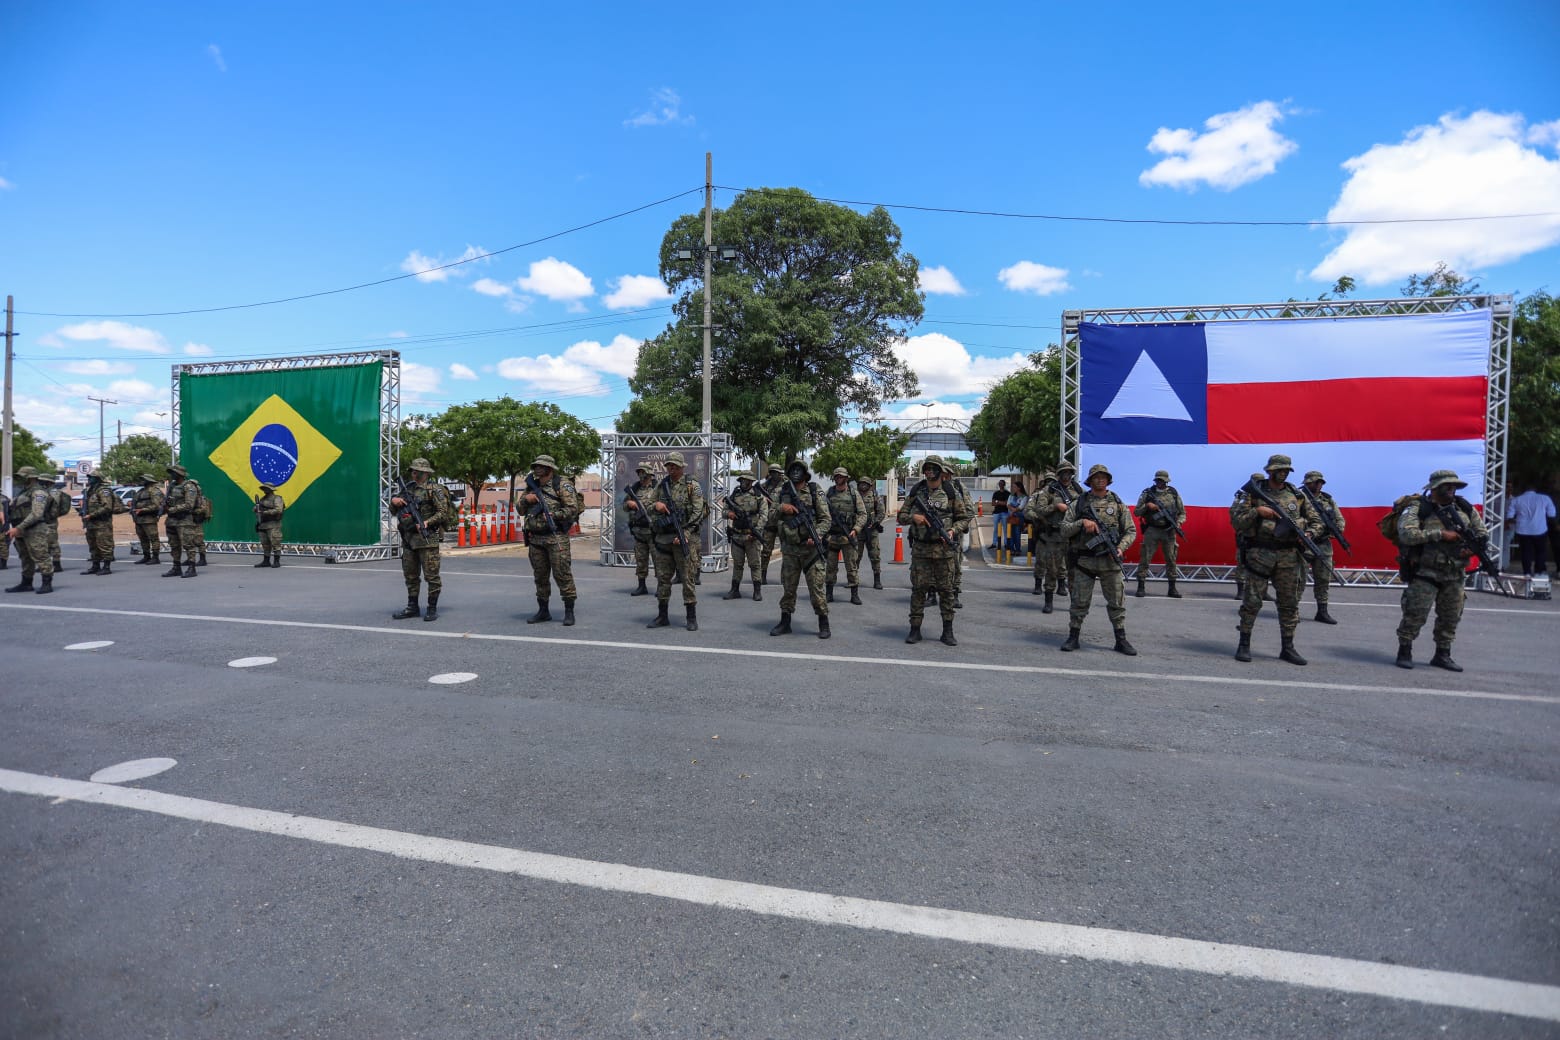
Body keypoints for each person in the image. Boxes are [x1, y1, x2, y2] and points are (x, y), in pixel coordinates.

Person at [1232, 455, 1322, 665]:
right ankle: (1244, 644)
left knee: (1289, 603)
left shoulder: (1297, 495)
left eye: (1286, 470)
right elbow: (1236, 521)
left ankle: (1287, 647)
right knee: (1252, 602)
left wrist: (1308, 533)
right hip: (1260, 554)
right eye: (1279, 470)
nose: (1283, 473)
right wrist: (1257, 511)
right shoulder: (1251, 493)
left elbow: (1316, 521)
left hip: (1289, 556)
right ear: (1270, 470)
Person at [1395, 470, 1486, 671]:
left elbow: (1481, 533)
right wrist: (1440, 534)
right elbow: (1407, 534)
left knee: (1451, 616)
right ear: (1435, 488)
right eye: (1447, 486)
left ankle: (1442, 654)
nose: (1451, 489)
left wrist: (1472, 548)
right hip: (1425, 572)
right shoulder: (1419, 508)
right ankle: (1405, 651)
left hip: (1454, 574)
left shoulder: (1465, 508)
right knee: (1414, 614)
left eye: (1454, 486)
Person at [1059, 463, 1137, 655]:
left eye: (1103, 477)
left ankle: (1121, 639)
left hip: (1110, 562)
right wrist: (1081, 523)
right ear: (1091, 480)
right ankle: (1073, 636)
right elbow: (1064, 529)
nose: (1100, 480)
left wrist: (1120, 548)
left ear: (1108, 480)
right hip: (1085, 562)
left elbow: (1130, 531)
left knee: (1117, 603)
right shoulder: (1080, 503)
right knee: (1079, 601)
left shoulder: (1117, 504)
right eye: (1096, 477)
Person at [898, 455, 970, 646]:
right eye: (926, 468)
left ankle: (947, 631)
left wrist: (953, 530)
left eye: (932, 468)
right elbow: (901, 516)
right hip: (921, 550)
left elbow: (964, 518)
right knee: (918, 590)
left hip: (944, 551)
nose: (929, 471)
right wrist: (915, 517)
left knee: (946, 591)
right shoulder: (917, 491)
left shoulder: (950, 492)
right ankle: (915, 630)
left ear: (939, 470)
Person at [770, 459, 833, 639]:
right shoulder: (782, 492)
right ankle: (785, 622)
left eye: (800, 470)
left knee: (817, 589)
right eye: (793, 469)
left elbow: (826, 519)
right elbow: (770, 517)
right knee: (788, 588)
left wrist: (818, 535)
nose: (796, 472)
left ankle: (823, 622)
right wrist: (783, 508)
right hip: (790, 550)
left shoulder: (814, 490)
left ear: (805, 474)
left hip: (811, 551)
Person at [646, 450, 705, 632]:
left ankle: (691, 617)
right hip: (664, 539)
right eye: (668, 465)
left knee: (687, 579)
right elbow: (648, 506)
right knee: (663, 578)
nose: (670, 468)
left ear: (681, 467)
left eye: (674, 465)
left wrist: (686, 533)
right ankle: (662, 616)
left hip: (685, 538)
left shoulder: (691, 485)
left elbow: (698, 512)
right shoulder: (661, 485)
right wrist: (656, 505)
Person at [521, 454, 581, 627]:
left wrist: (553, 515)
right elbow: (519, 509)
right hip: (536, 539)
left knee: (562, 574)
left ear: (549, 468)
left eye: (540, 466)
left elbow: (572, 509)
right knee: (540, 576)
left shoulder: (562, 484)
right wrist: (527, 499)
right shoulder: (531, 486)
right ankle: (543, 611)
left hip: (556, 537)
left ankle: (569, 611)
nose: (536, 469)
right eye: (535, 466)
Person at [389, 457, 452, 621]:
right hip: (409, 540)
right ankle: (412, 607)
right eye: (413, 470)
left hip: (427, 540)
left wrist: (426, 522)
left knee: (432, 576)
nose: (414, 473)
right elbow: (394, 511)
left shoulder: (434, 489)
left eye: (417, 471)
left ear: (425, 473)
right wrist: (394, 501)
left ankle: (432, 608)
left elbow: (443, 512)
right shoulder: (406, 489)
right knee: (410, 576)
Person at [1025, 461, 1081, 613]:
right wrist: (1055, 507)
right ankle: (1048, 599)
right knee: (1052, 569)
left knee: (1073, 571)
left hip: (1071, 536)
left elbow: (1084, 508)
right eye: (1063, 472)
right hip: (1053, 536)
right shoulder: (1049, 491)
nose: (1066, 475)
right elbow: (1039, 509)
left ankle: (1074, 603)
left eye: (1069, 472)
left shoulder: (1077, 489)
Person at [1300, 470, 1344, 624]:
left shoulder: (1327, 499)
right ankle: (1292, 610)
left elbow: (1339, 520)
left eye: (1320, 482)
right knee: (1298, 579)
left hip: (1323, 544)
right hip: (1303, 544)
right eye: (1315, 482)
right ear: (1307, 483)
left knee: (1323, 580)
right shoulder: (1299, 498)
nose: (1318, 485)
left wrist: (1335, 529)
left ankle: (1322, 611)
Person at [1133, 469, 1185, 598]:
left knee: (1171, 559)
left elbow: (1182, 513)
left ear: (1166, 481)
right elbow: (1137, 512)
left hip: (1169, 531)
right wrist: (1147, 506)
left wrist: (1178, 523)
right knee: (1145, 558)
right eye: (1158, 480)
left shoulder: (1173, 493)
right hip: (1152, 529)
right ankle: (1141, 587)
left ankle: (1172, 588)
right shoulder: (1147, 494)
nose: (1160, 483)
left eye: (1162, 480)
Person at [3, 467, 55, 594]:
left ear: (31, 477)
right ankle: (26, 583)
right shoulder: (24, 492)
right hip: (22, 529)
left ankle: (46, 583)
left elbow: (37, 514)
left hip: (35, 529)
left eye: (22, 476)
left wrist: (18, 528)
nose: (20, 479)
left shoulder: (38, 493)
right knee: (25, 557)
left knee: (41, 556)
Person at [823, 467, 868, 604]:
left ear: (846, 478)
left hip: (848, 536)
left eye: (841, 476)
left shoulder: (854, 494)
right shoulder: (829, 493)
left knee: (851, 566)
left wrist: (856, 529)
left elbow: (862, 514)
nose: (839, 478)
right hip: (832, 537)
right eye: (836, 476)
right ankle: (829, 593)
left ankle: (854, 594)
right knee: (830, 566)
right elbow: (821, 512)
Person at [721, 474, 769, 602]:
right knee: (737, 564)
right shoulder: (734, 496)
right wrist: (729, 514)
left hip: (751, 536)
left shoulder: (758, 496)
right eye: (742, 480)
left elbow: (764, 516)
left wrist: (756, 531)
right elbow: (724, 511)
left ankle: (757, 590)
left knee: (755, 564)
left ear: (751, 482)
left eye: (747, 480)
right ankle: (734, 590)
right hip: (737, 535)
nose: (744, 482)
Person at [162, 464, 204, 579]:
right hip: (171, 520)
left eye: (173, 472)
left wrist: (171, 509)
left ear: (179, 474)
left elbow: (189, 505)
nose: (171, 475)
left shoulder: (189, 486)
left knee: (188, 545)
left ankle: (192, 568)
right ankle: (176, 567)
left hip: (184, 520)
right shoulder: (172, 486)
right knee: (174, 545)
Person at [1506, 483, 1556, 578]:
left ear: (1523, 490)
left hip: (1522, 530)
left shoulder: (1517, 500)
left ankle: (1527, 572)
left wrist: (1517, 520)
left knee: (1525, 552)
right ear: (1535, 490)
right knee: (1540, 552)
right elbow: (1551, 514)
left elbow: (1509, 517)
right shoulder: (1544, 498)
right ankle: (1539, 572)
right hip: (1540, 529)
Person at [623, 464, 658, 596]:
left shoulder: (657, 488)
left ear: (649, 474)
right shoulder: (635, 489)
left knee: (658, 560)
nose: (641, 475)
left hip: (653, 532)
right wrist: (629, 504)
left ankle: (661, 587)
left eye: (644, 473)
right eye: (640, 473)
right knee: (640, 560)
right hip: (639, 532)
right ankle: (641, 586)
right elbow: (624, 507)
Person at [80, 472, 118, 575]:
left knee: (104, 545)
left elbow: (107, 507)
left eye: (91, 478)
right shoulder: (90, 491)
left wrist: (92, 515)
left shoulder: (103, 490)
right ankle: (95, 566)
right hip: (91, 523)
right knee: (93, 545)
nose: (89, 479)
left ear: (97, 479)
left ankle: (106, 567)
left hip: (102, 523)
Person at [853, 475, 886, 590]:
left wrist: (876, 523)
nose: (863, 485)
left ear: (870, 485)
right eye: (861, 483)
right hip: (858, 530)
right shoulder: (854, 496)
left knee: (875, 555)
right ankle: (853, 580)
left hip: (871, 530)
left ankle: (877, 580)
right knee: (855, 556)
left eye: (865, 484)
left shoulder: (875, 495)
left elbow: (881, 511)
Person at [757, 462, 786, 585]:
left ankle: (785, 577)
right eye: (772, 472)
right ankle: (762, 575)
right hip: (769, 523)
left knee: (786, 550)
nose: (774, 475)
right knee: (766, 551)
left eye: (776, 473)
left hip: (783, 522)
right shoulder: (764, 486)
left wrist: (775, 504)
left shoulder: (786, 486)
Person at [130, 473, 164, 566]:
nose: (142, 481)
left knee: (153, 538)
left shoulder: (154, 491)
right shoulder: (141, 491)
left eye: (143, 479)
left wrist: (143, 510)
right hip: (139, 519)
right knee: (143, 539)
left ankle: (155, 557)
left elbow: (157, 506)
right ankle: (146, 556)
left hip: (149, 519)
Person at [253, 482, 286, 568]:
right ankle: (266, 561)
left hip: (273, 524)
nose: (265, 490)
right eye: (264, 488)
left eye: (266, 488)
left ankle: (276, 561)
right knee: (265, 544)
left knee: (276, 542)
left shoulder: (277, 498)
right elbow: (257, 508)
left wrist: (265, 512)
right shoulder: (262, 499)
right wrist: (256, 509)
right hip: (263, 524)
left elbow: (279, 510)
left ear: (271, 489)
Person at [48, 480, 70, 578]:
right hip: (48, 520)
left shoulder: (53, 493)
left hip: (49, 520)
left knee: (52, 542)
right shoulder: (48, 491)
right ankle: (50, 564)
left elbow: (54, 509)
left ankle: (56, 564)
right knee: (47, 542)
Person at [1005, 479, 1028, 556]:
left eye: (1014, 487)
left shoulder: (1024, 497)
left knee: (1017, 533)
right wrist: (1012, 511)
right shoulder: (1011, 496)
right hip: (1010, 517)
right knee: (1010, 533)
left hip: (1018, 517)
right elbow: (1008, 504)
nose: (1013, 488)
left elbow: (1021, 507)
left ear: (1019, 488)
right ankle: (1011, 549)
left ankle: (1018, 549)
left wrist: (1013, 511)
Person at [989, 479, 1010, 549]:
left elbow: (1006, 503)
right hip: (996, 512)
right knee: (995, 529)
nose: (1000, 485)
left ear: (1004, 485)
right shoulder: (996, 493)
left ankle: (1006, 543)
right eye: (999, 483)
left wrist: (998, 502)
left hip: (1005, 512)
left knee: (1005, 528)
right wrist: (1001, 502)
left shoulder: (1007, 493)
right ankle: (994, 543)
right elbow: (992, 503)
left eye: (1001, 483)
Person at [0, 485, 10, 569]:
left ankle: (2, 564)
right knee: (4, 544)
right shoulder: (5, 498)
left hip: (2, 524)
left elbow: (1, 514)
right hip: (6, 524)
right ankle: (3, 563)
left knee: (2, 544)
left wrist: (2, 522)